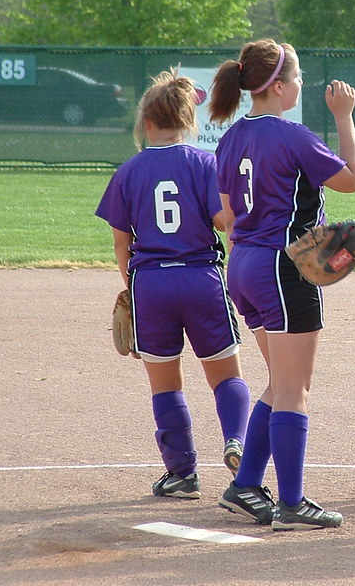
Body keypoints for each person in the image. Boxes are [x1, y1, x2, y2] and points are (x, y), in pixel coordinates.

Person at [208, 39, 355, 531]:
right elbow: (353, 181)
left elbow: (230, 218)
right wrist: (343, 116)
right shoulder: (293, 136)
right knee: (295, 389)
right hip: (283, 267)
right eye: (295, 80)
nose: (300, 87)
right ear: (276, 86)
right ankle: (293, 503)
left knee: (280, 383)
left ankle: (246, 485)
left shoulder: (231, 137)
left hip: (245, 266)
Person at [95, 69, 251, 500]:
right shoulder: (205, 163)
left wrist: (132, 287)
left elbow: (122, 242)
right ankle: (237, 442)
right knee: (225, 375)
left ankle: (182, 474)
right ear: (189, 122)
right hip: (201, 277)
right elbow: (226, 224)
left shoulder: (129, 171)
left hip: (152, 284)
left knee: (166, 384)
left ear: (146, 123)